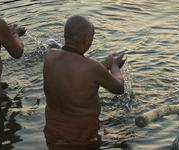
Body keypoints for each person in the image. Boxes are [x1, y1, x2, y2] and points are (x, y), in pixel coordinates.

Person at [43, 15, 126, 149]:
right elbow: (119, 88)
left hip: (54, 133)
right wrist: (114, 66)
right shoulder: (92, 68)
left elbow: (75, 70)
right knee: (125, 142)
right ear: (87, 39)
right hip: (83, 138)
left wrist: (104, 64)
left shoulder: (49, 56)